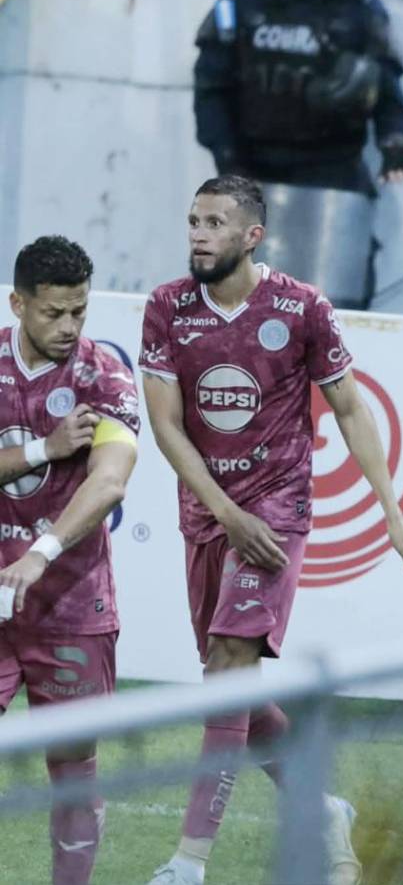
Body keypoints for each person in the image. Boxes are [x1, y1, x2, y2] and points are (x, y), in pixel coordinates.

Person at [140, 175, 403, 885]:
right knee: (227, 684)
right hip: (209, 513)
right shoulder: (167, 307)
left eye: (214, 222)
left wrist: (393, 514)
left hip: (278, 508)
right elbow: (166, 425)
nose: (198, 234)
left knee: (230, 666)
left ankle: (188, 863)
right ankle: (323, 806)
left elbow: (351, 409)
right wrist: (224, 512)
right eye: (193, 220)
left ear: (252, 236)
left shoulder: (302, 308)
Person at [0, 236, 140, 885]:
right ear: (18, 304)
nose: (68, 326)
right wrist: (43, 450)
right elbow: (54, 454)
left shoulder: (104, 377)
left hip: (73, 606)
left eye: (78, 311)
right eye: (53, 312)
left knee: (73, 770)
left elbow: (110, 481)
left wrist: (41, 552)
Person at [194, 0, 403, 308]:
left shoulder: (359, 7)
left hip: (334, 178)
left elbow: (389, 98)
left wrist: (395, 142)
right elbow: (210, 89)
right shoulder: (242, 0)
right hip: (252, 172)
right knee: (237, 309)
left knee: (333, 309)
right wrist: (228, 160)